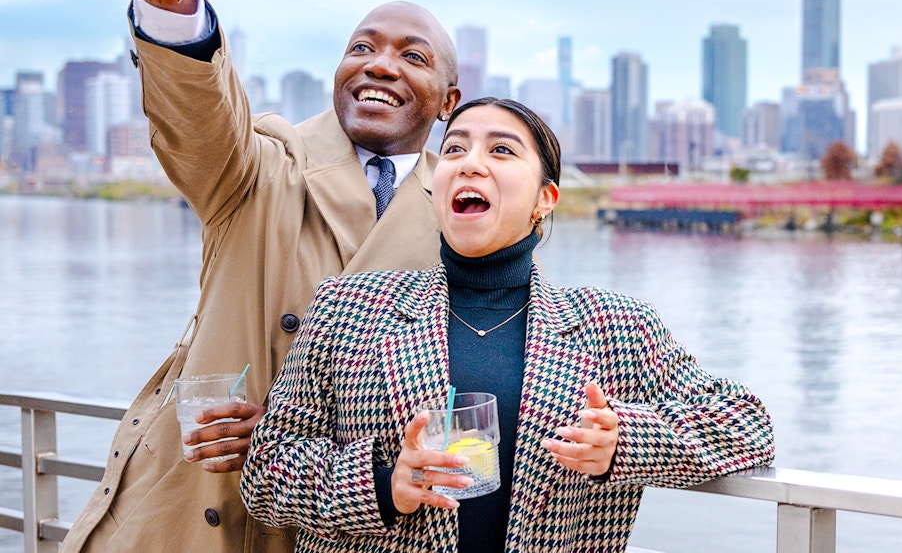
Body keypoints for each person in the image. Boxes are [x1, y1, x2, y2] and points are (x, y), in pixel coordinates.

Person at [64, 0, 460, 552]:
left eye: (411, 55)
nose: (379, 65)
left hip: (344, 524)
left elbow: (462, 389)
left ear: (447, 100)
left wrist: (290, 432)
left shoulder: (462, 215)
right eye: (361, 47)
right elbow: (200, 119)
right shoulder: (258, 166)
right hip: (198, 511)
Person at [240, 98, 775, 552]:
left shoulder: (615, 326)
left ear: (545, 199)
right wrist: (385, 487)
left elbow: (747, 426)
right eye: (454, 148)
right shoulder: (350, 308)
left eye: (501, 150)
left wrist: (625, 443)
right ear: (437, 187)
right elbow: (265, 470)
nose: (470, 163)